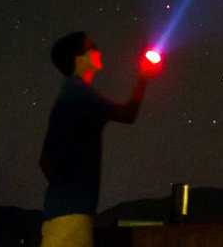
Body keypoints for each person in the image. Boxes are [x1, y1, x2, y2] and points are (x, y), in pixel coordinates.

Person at [39, 31, 157, 247]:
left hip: (64, 215)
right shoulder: (81, 95)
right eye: (92, 47)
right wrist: (144, 76)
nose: (98, 51)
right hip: (70, 218)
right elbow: (128, 114)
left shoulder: (71, 94)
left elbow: (45, 160)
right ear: (79, 58)